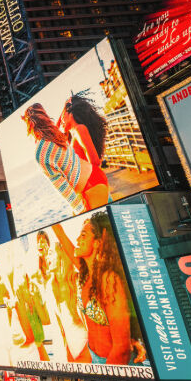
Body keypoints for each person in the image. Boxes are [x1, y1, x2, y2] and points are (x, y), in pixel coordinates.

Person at [53, 212, 141, 365]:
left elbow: (121, 348)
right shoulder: (87, 273)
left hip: (114, 363)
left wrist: (105, 376)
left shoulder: (109, 280)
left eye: (83, 235)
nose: (77, 240)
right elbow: (61, 236)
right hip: (94, 357)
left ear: (97, 242)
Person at [57, 92, 110, 210]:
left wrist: (86, 183)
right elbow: (53, 136)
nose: (61, 122)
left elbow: (95, 161)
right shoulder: (73, 136)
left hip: (93, 187)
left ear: (70, 114)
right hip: (88, 188)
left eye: (62, 117)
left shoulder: (79, 129)